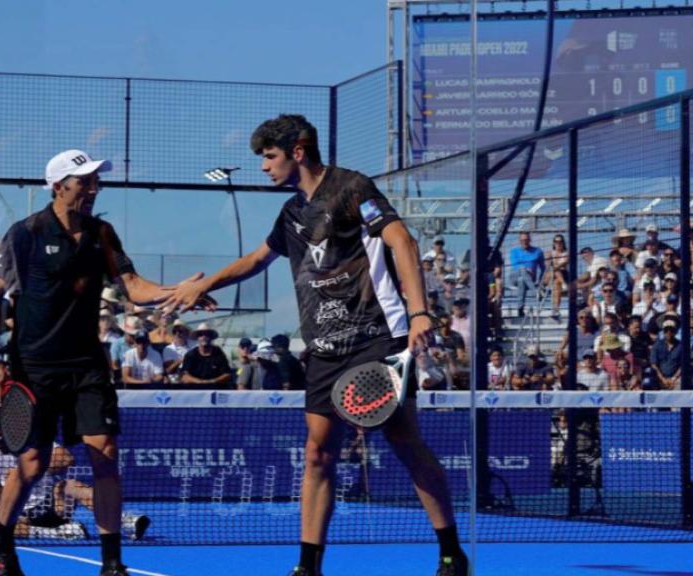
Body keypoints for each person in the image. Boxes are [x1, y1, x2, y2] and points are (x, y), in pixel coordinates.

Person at [161, 115, 467, 576]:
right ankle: (308, 566)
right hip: (325, 348)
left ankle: (450, 553)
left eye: (270, 156)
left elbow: (401, 239)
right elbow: (257, 260)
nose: (264, 167)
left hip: (376, 336)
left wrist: (421, 311)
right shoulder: (290, 214)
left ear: (297, 151)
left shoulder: (351, 188)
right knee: (317, 453)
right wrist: (206, 286)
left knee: (404, 441)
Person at [0, 149, 204, 576]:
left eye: (96, 180)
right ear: (59, 185)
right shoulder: (23, 234)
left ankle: (112, 563)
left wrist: (177, 290)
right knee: (32, 463)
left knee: (106, 452)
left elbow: (133, 287)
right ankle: (2, 545)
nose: (94, 187)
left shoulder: (103, 233)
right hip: (34, 367)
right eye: (85, 180)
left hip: (87, 365)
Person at [0, 409, 150, 541]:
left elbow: (66, 459)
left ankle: (126, 522)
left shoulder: (32, 440)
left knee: (71, 486)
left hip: (52, 505)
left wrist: (28, 470)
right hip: (21, 513)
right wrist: (1, 513)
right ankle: (56, 533)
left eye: (1, 438)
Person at [179, 323, 233, 389]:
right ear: (197, 338)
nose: (204, 337)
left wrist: (212, 381)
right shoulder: (190, 355)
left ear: (211, 337)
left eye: (206, 334)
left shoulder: (218, 353)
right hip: (195, 391)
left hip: (215, 390)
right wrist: (200, 382)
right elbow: (184, 377)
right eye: (201, 335)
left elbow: (227, 374)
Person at [509, 231, 545, 317]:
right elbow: (514, 264)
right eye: (522, 240)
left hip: (530, 278)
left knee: (522, 280)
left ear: (530, 240)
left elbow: (543, 268)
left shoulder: (537, 251)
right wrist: (526, 269)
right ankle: (536, 292)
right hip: (514, 276)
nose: (524, 242)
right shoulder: (514, 251)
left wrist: (541, 282)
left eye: (526, 240)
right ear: (519, 241)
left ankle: (520, 309)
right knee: (522, 269)